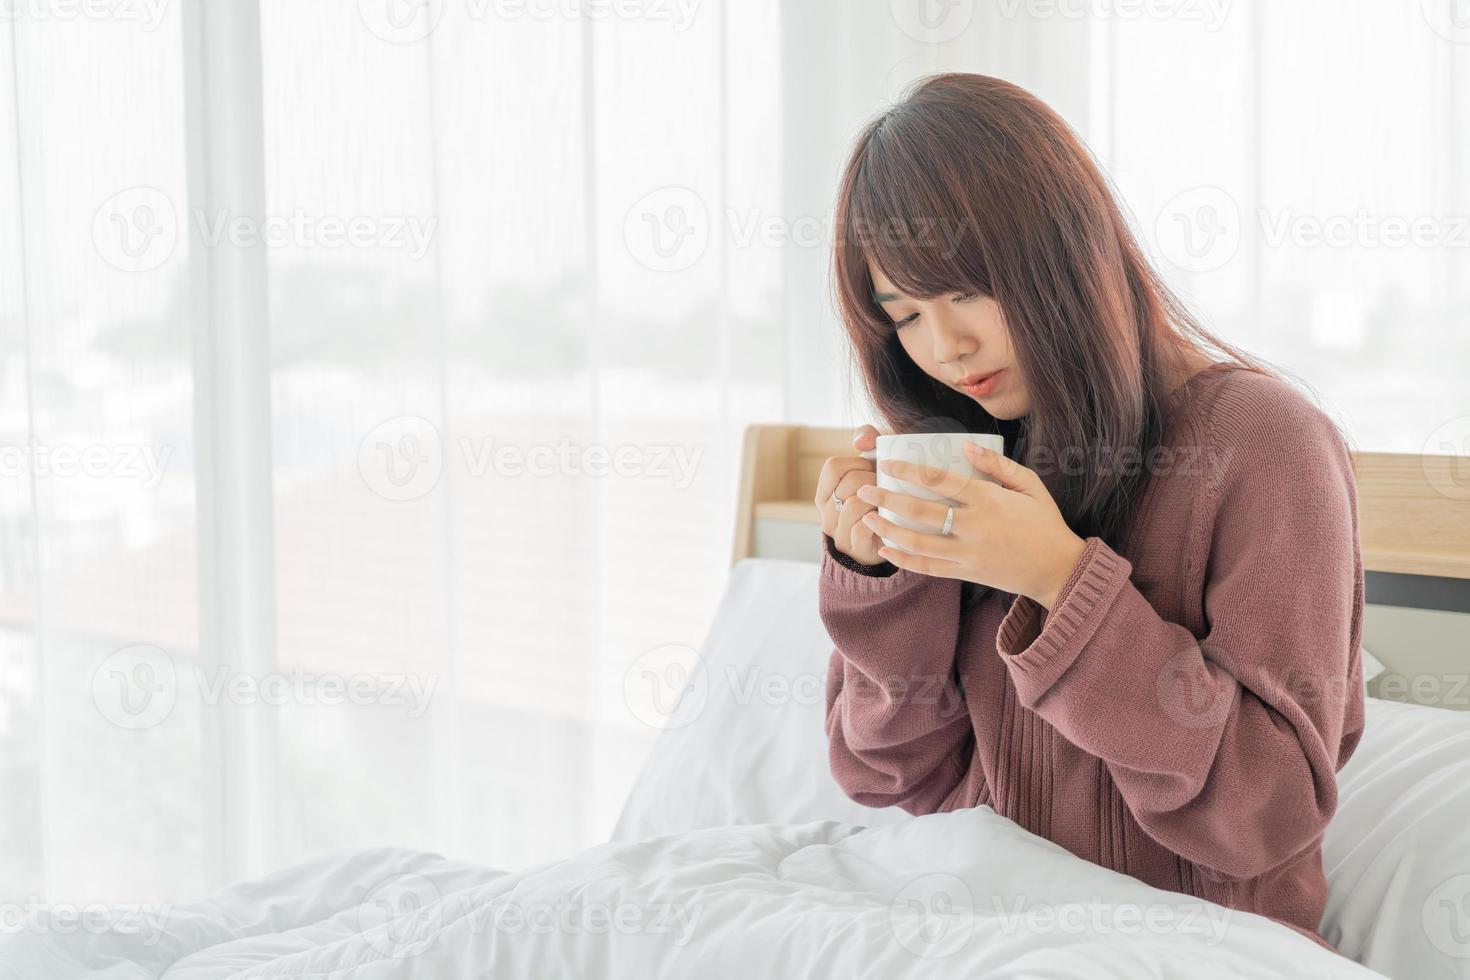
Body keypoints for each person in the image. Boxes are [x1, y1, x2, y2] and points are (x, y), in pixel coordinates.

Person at [814, 72, 1365, 954]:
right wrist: (881, 585)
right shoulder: (976, 446)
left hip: (1187, 949)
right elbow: (890, 779)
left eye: (963, 292)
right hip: (952, 928)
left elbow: (1268, 814)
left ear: (1060, 251)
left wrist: (1058, 581)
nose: (944, 348)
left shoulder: (1267, 443)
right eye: (906, 315)